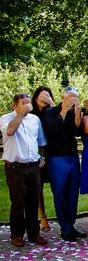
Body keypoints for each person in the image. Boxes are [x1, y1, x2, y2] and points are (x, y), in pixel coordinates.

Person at [0, 92, 48, 247]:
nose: (28, 106)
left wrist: (42, 157)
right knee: (18, 202)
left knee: (33, 201)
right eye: (23, 103)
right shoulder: (6, 119)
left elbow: (40, 140)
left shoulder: (35, 120)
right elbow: (10, 131)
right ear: (15, 105)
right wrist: (20, 114)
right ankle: (17, 234)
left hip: (33, 166)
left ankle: (34, 233)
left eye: (29, 103)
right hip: (15, 167)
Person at [41, 86, 84, 241]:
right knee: (60, 192)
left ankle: (71, 225)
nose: (73, 99)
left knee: (73, 192)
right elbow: (53, 130)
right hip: (56, 157)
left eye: (75, 96)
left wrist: (77, 112)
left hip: (72, 155)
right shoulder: (50, 112)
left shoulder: (76, 111)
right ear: (63, 97)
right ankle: (65, 228)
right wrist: (64, 110)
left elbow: (78, 132)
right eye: (71, 96)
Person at [31, 86, 55, 234]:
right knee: (37, 187)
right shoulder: (31, 115)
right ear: (36, 98)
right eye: (43, 96)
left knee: (55, 186)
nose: (45, 98)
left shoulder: (52, 112)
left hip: (53, 152)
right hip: (37, 154)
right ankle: (42, 217)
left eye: (48, 95)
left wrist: (52, 104)